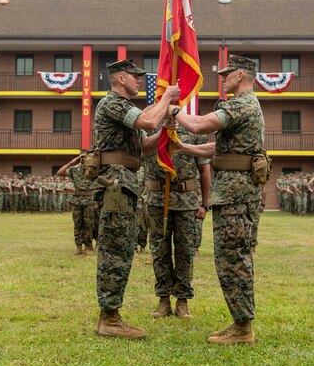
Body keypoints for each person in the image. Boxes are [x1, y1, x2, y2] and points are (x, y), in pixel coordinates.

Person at [170, 54, 266, 346]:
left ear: (241, 76)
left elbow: (199, 126)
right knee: (233, 258)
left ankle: (243, 328)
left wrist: (174, 110)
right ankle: (240, 322)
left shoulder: (241, 104)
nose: (223, 78)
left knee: (232, 260)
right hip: (235, 194)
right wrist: (183, 147)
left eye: (227, 74)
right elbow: (218, 148)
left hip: (234, 196)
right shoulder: (248, 106)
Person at [92, 58, 179, 340]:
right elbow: (148, 120)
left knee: (124, 246)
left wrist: (166, 127)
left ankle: (112, 314)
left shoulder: (126, 108)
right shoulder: (112, 104)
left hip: (125, 181)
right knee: (115, 248)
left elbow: (145, 145)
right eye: (134, 76)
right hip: (115, 183)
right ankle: (109, 317)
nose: (139, 80)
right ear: (119, 79)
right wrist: (166, 98)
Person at [145, 124, 210, 320]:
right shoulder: (150, 129)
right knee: (159, 251)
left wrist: (204, 204)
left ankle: (182, 301)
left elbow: (204, 169)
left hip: (186, 201)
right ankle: (163, 300)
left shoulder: (195, 130)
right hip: (157, 201)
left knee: (185, 252)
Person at [58, 154, 100, 255]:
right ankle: (79, 247)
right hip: (76, 200)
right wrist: (71, 162)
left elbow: (99, 185)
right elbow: (60, 172)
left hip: (89, 200)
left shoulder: (94, 170)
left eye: (86, 158)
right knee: (78, 224)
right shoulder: (74, 170)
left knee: (88, 224)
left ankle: (88, 247)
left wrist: (97, 201)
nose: (83, 160)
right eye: (82, 158)